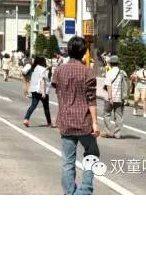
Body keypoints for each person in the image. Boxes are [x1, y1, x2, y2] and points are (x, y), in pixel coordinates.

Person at [51, 36, 100, 195]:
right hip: (83, 121)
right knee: (92, 153)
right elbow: (91, 99)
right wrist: (95, 123)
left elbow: (56, 88)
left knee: (68, 161)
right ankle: (85, 190)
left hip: (65, 120)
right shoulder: (87, 72)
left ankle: (69, 193)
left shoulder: (59, 70)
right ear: (84, 52)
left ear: (69, 50)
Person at [101, 55, 127, 138]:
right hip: (120, 98)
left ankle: (108, 132)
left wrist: (110, 98)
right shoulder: (122, 72)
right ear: (118, 63)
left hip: (110, 98)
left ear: (110, 63)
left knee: (107, 114)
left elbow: (108, 86)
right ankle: (117, 134)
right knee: (118, 116)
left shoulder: (109, 72)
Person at [23, 56, 52, 127]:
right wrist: (43, 92)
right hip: (41, 90)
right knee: (46, 107)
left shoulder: (34, 69)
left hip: (34, 89)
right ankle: (49, 122)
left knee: (33, 105)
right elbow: (43, 80)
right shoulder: (43, 69)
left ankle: (26, 119)